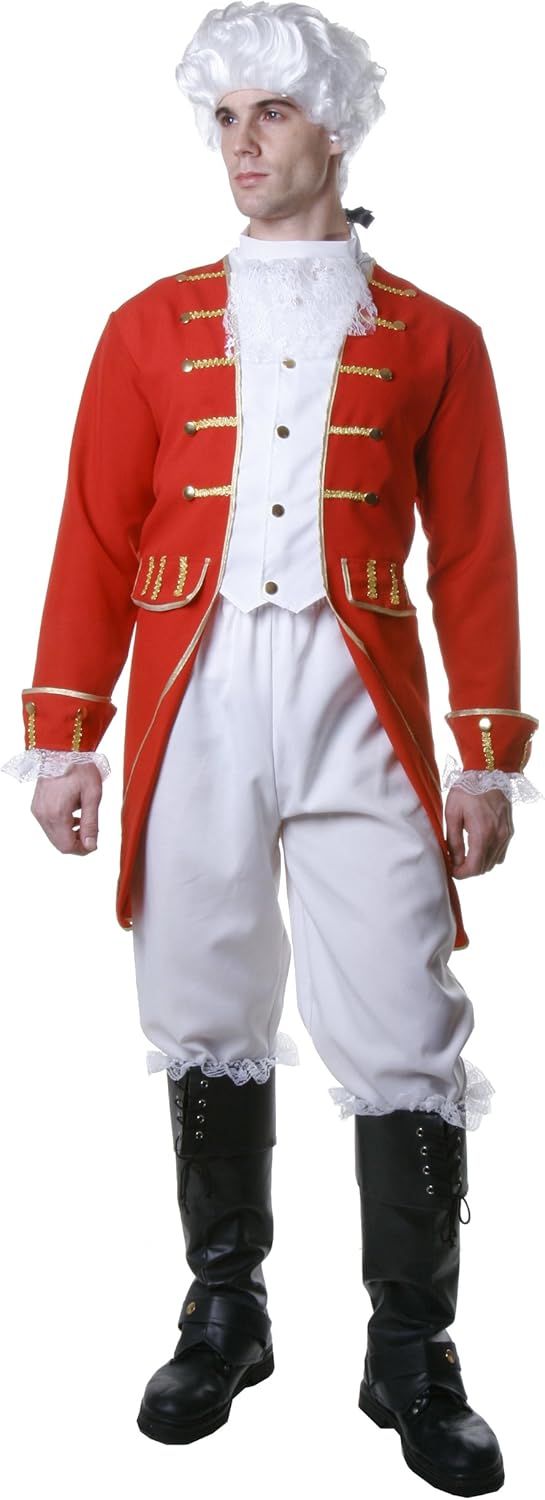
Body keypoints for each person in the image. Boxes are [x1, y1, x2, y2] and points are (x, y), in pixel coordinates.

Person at [3, 1, 539, 1491]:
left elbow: (476, 554)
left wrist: (486, 755)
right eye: (225, 117)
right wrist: (66, 736)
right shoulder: (145, 325)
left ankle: (411, 1348)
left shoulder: (436, 336)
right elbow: (93, 535)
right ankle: (226, 1310)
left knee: (403, 1015)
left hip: (362, 698)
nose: (240, 145)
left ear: (334, 129)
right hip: (194, 693)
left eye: (271, 115)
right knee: (200, 993)